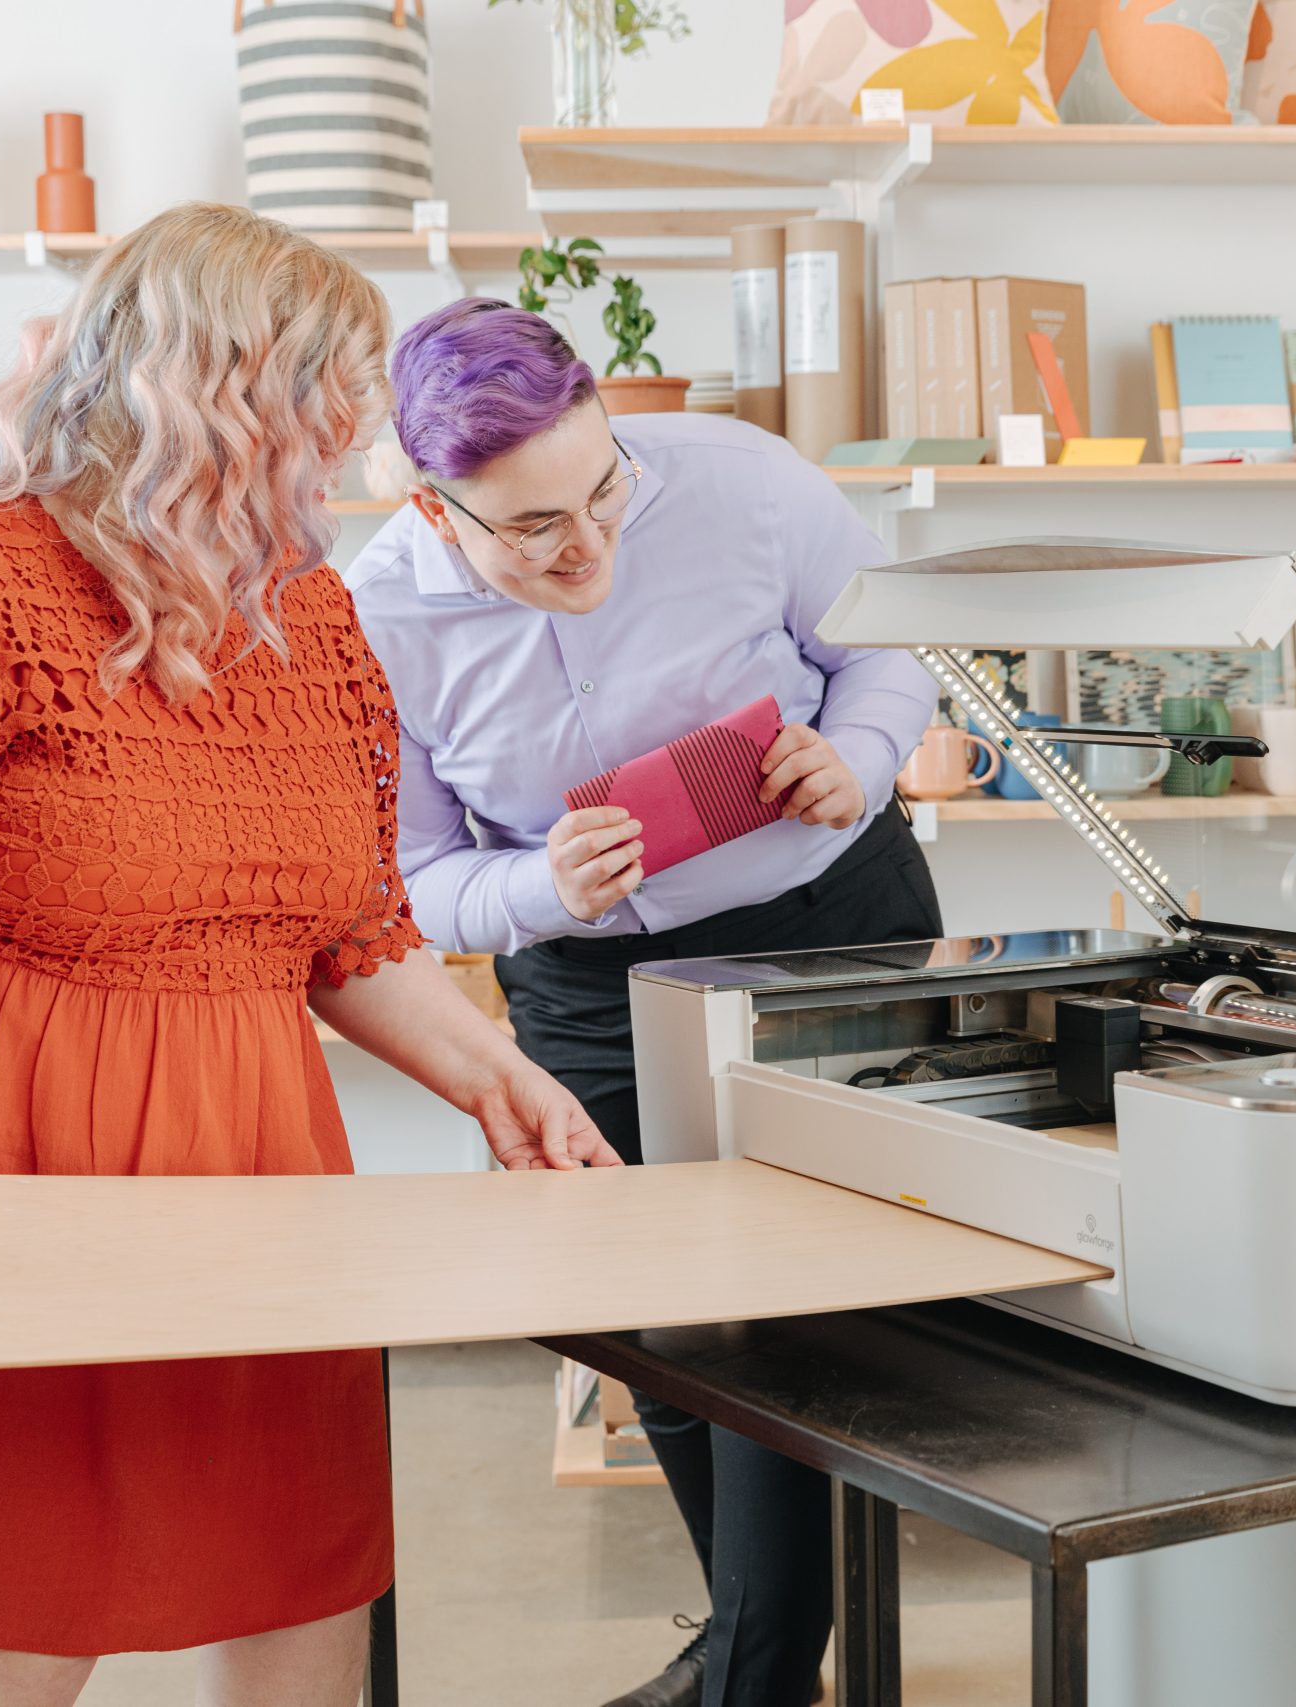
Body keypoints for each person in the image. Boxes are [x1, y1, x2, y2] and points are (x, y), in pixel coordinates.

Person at [0, 206, 618, 1707]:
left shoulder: (314, 619)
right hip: (24, 1175)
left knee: (304, 1582)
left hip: (252, 1171)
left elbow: (344, 933)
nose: (360, 452)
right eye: (328, 405)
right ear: (215, 403)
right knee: (34, 1619)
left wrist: (498, 1076)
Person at [346, 299, 939, 1707]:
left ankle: (756, 1669)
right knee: (656, 1325)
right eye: (534, 529)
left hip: (833, 930)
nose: (591, 546)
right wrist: (541, 887)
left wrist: (854, 754)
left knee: (798, 1315)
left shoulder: (746, 481)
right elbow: (409, 882)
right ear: (434, 511)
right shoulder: (370, 622)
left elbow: (894, 647)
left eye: (603, 488)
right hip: (589, 985)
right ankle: (754, 1643)